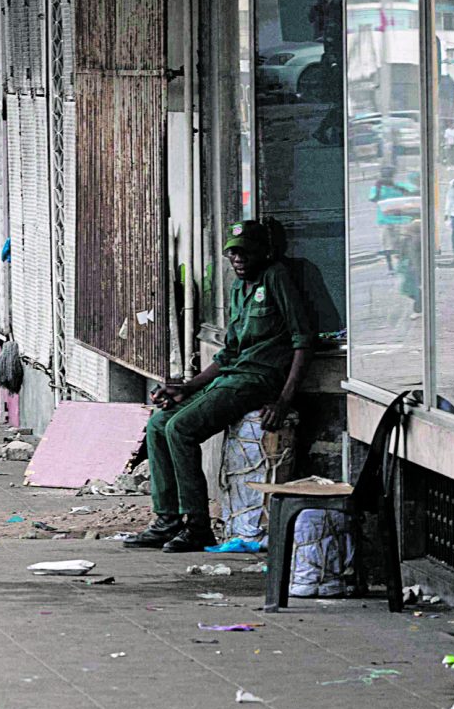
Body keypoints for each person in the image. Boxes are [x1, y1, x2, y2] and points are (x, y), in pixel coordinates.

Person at [123, 218, 317, 552]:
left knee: (180, 429)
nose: (238, 259)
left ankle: (197, 526)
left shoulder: (277, 278)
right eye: (233, 254)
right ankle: (167, 520)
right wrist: (188, 386)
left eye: (245, 252)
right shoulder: (239, 289)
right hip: (231, 377)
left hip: (257, 379)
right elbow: (228, 353)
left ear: (264, 252)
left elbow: (303, 342)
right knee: (158, 424)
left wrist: (284, 400)